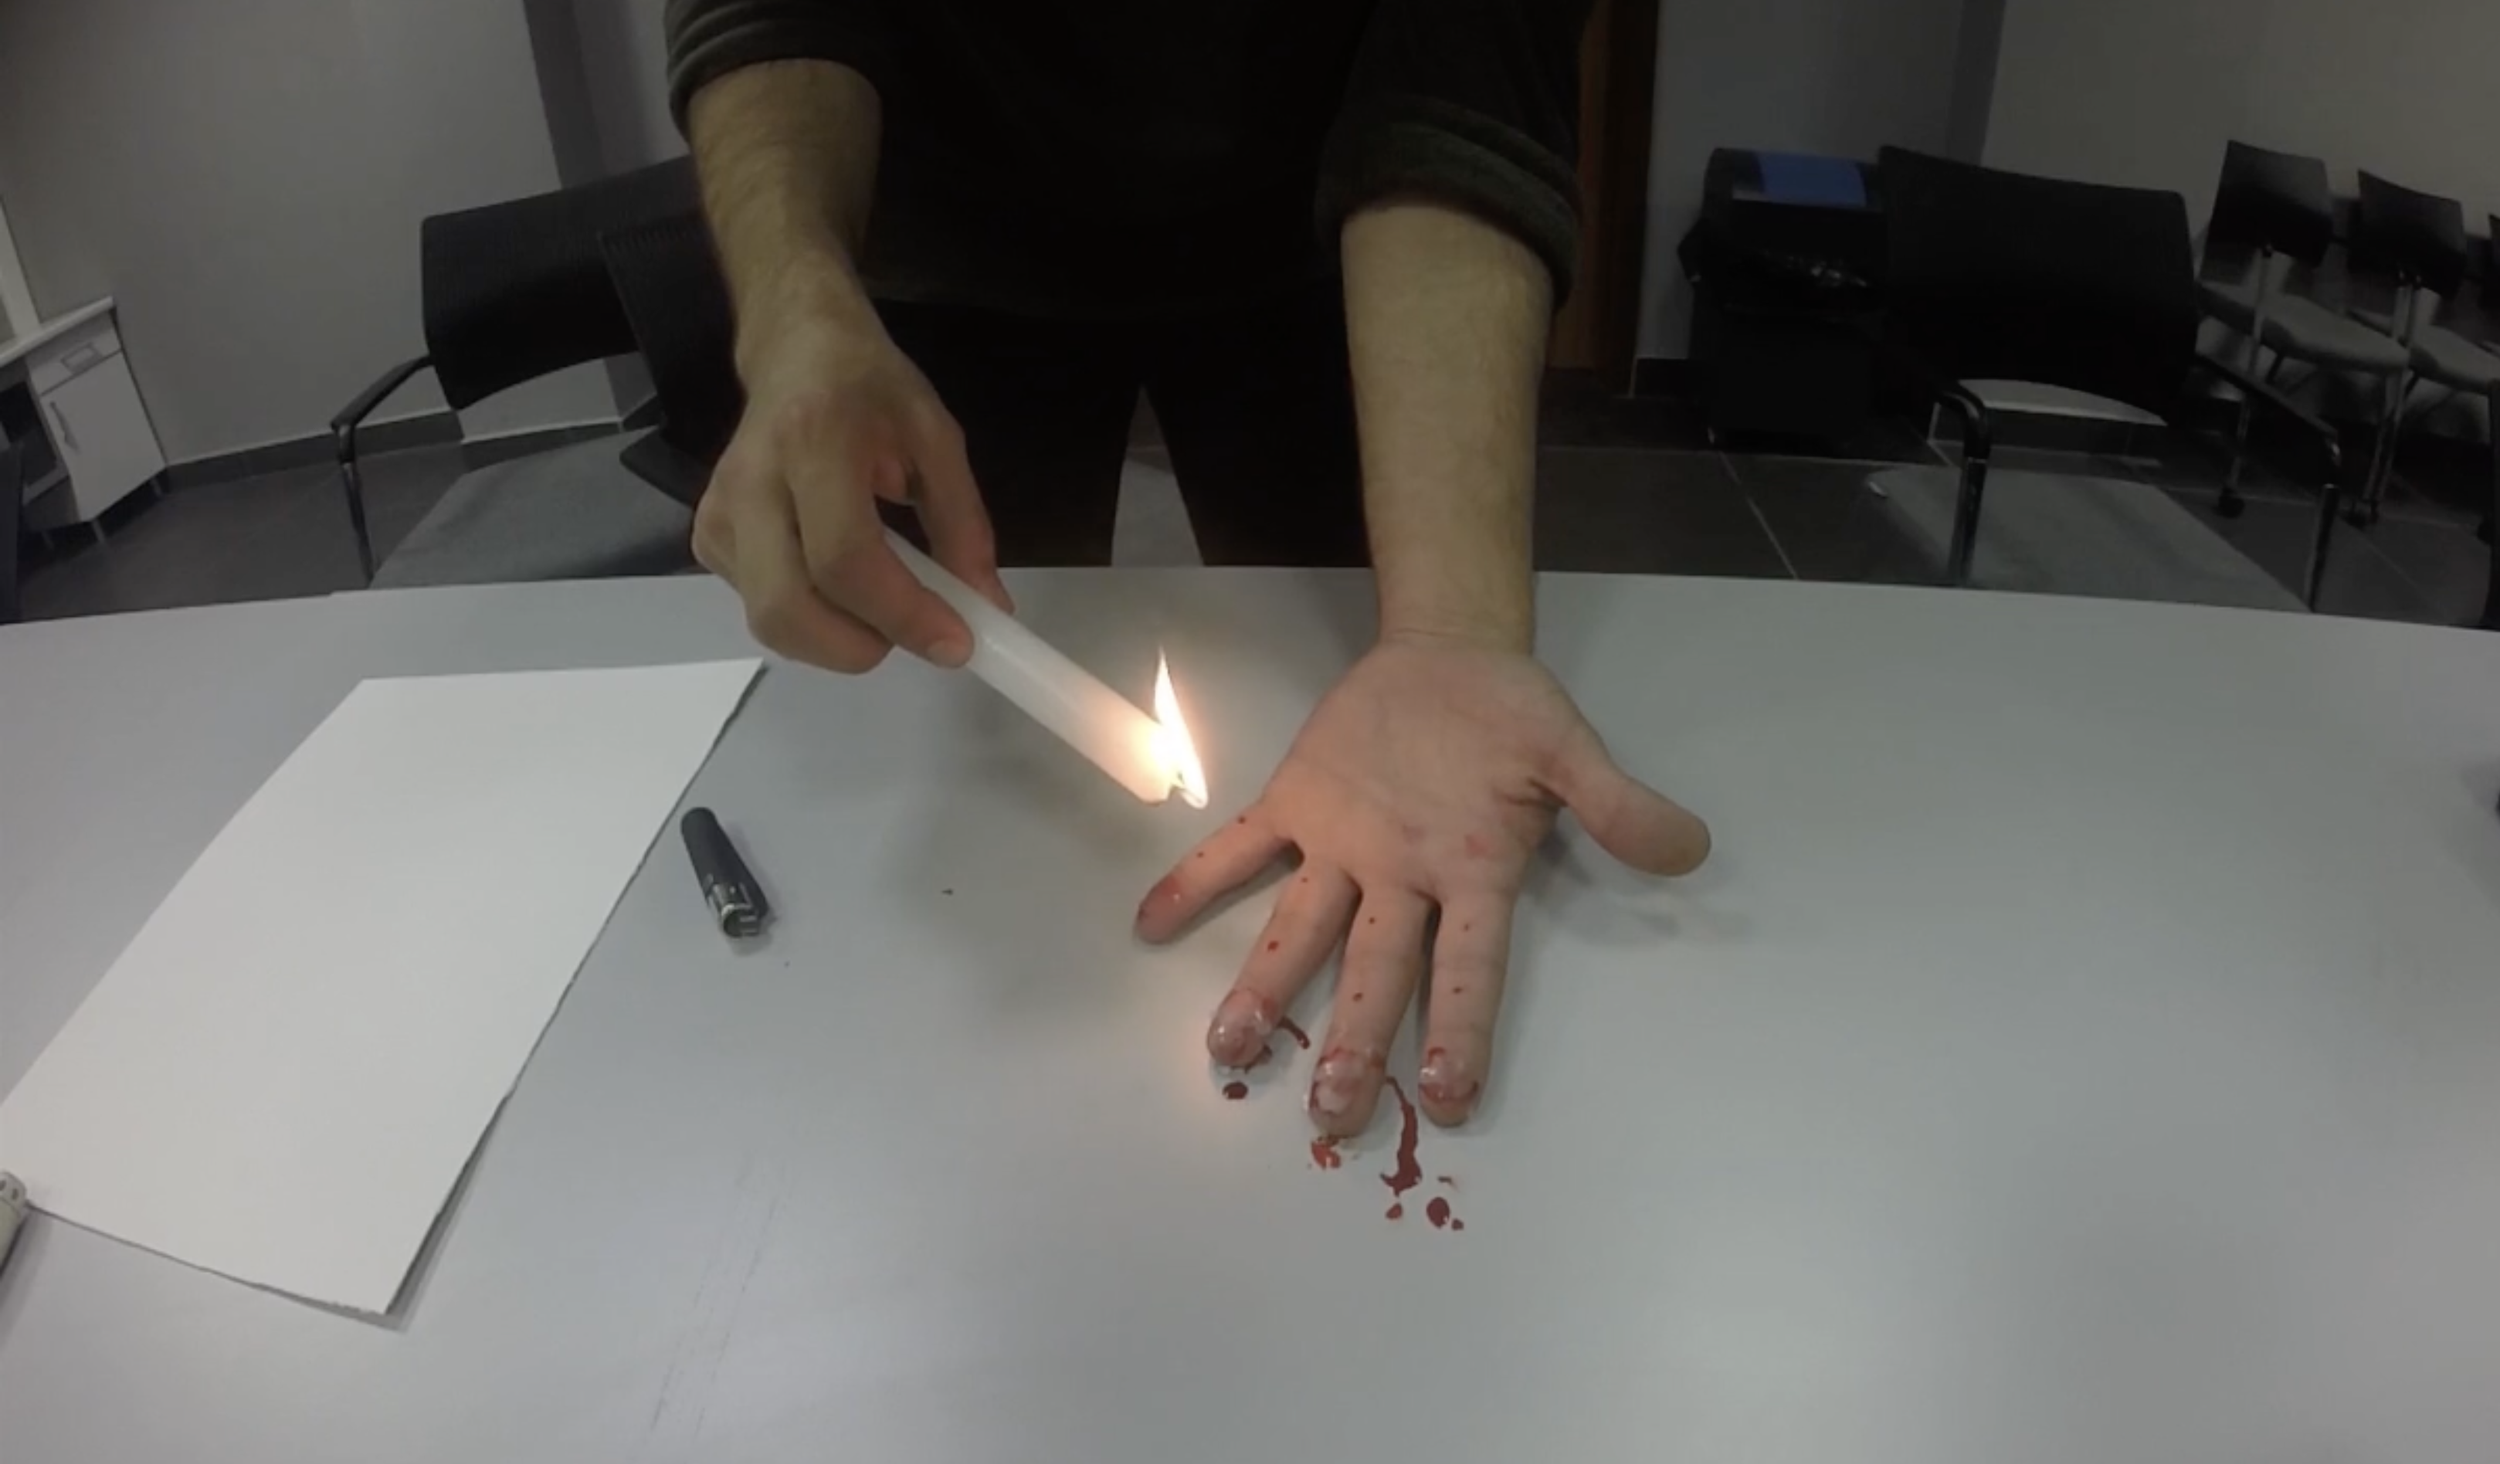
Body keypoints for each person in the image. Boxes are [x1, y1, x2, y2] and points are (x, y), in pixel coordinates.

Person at [664, 0, 1712, 1138]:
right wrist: (793, 308)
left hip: (1325, 234)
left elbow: (1467, 62)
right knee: (963, 703)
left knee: (1329, 622)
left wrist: (1450, 630)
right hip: (938, 225)